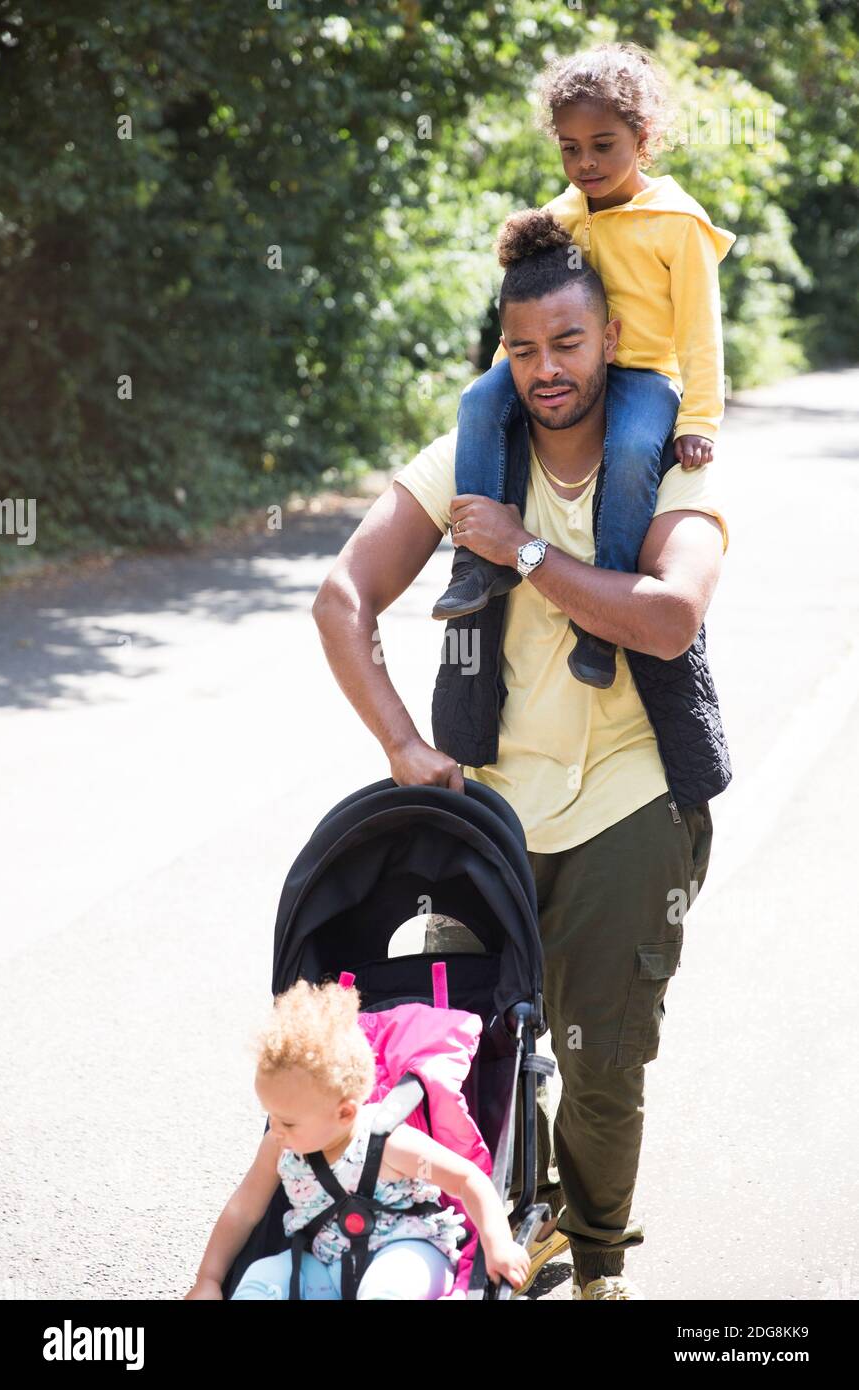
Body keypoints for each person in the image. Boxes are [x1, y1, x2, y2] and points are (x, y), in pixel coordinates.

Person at [310, 209, 730, 1299]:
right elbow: (340, 596)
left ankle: (595, 1265)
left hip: (627, 802)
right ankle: (484, 1229)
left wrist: (523, 548)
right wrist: (400, 742)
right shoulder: (466, 457)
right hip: (487, 811)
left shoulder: (671, 457)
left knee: (599, 1063)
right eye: (523, 349)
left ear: (609, 341)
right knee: (469, 1050)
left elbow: (670, 615)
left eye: (569, 344)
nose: (546, 369)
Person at [432, 41, 734, 692]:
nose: (585, 162)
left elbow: (701, 332)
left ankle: (601, 619)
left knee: (628, 452)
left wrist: (701, 418)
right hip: (565, 364)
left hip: (644, 375)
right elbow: (527, 312)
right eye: (570, 148)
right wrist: (504, 373)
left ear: (643, 137)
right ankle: (476, 563)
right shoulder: (562, 214)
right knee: (477, 403)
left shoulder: (678, 222)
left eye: (603, 145)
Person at [184, 979, 530, 1300]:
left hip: (410, 1253)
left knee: (388, 1285)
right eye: (270, 1114)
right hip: (325, 1266)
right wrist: (209, 1279)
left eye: (287, 1120)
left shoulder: (388, 1143)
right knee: (262, 1276)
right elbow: (244, 1210)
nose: (275, 1128)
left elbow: (468, 1179)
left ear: (345, 1113)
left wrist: (497, 1242)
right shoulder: (280, 1145)